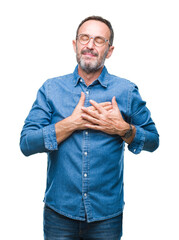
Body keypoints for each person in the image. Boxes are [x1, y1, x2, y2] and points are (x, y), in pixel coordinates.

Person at [20, 16, 159, 240]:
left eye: (99, 40)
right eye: (84, 38)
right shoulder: (51, 89)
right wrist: (71, 124)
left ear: (110, 50)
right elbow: (26, 143)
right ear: (75, 45)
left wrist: (123, 129)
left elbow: (153, 140)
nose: (90, 45)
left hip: (107, 216)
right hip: (59, 213)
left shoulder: (126, 91)